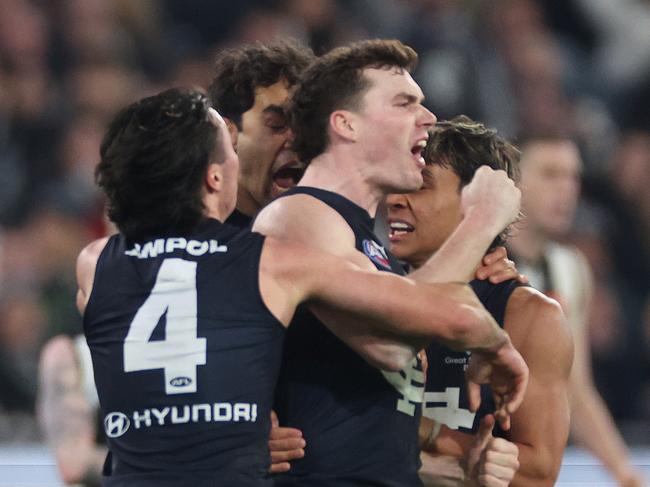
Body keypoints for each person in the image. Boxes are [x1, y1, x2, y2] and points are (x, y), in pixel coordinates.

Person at [77, 87, 526, 486]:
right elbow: (437, 312)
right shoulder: (273, 262)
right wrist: (499, 343)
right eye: (230, 149)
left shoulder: (94, 266)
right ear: (214, 178)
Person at [252, 39, 527, 486]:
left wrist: (459, 470)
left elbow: (366, 425)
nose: (428, 117)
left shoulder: (366, 243)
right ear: (346, 124)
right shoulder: (299, 216)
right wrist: (479, 222)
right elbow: (393, 348)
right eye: (404, 103)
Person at [386, 116, 574, 486]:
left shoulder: (529, 316)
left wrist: (413, 431)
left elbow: (538, 473)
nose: (394, 199)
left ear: (476, 202)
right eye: (395, 184)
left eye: (419, 186)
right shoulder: (366, 288)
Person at [507, 134, 646, 487]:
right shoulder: (473, 259)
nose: (567, 189)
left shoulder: (571, 268)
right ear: (511, 180)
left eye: (573, 177)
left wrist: (624, 472)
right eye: (551, 174)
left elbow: (575, 388)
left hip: (535, 468)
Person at [208, 39, 314, 228]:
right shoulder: (189, 243)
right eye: (277, 125)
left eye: (306, 125)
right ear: (228, 133)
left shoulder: (339, 237)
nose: (296, 139)